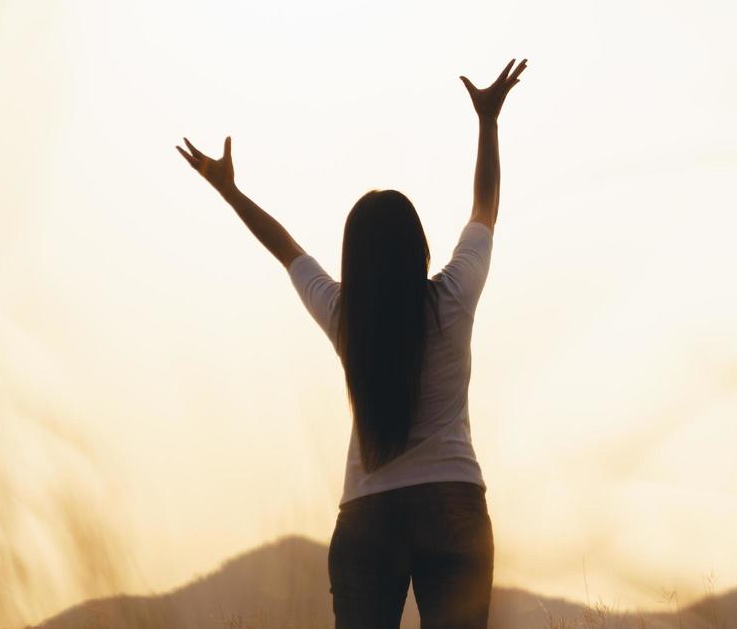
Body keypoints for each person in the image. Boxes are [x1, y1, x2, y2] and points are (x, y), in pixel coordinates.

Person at [177, 58, 528, 628]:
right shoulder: (453, 297)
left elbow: (287, 249)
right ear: (419, 247)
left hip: (369, 514)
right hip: (452, 503)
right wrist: (487, 122)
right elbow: (484, 209)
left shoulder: (346, 316)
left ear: (354, 258)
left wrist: (230, 192)